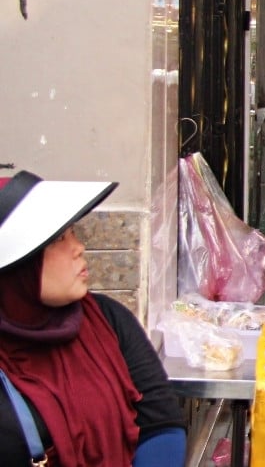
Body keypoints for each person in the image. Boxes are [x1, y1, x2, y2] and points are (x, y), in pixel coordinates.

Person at [0, 171, 185, 466]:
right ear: (19, 265)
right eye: (60, 238)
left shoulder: (106, 319)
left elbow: (160, 425)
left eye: (74, 233)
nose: (79, 247)